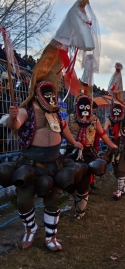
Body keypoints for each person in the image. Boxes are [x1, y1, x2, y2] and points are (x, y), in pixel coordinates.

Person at [5, 81, 83, 251]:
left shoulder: (55, 112)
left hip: (54, 164)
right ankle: (30, 228)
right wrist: (12, 117)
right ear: (37, 94)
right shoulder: (26, 110)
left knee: (52, 202)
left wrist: (74, 142)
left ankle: (51, 237)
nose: (50, 98)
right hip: (30, 165)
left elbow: (64, 129)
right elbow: (16, 124)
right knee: (23, 201)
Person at [66, 93, 118, 218]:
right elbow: (62, 132)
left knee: (83, 183)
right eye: (82, 106)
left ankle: (80, 212)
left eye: (87, 106)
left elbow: (103, 134)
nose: (84, 109)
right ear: (77, 106)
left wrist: (112, 145)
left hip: (88, 154)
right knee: (67, 180)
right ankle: (74, 194)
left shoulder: (94, 120)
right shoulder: (70, 118)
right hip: (72, 152)